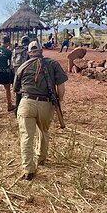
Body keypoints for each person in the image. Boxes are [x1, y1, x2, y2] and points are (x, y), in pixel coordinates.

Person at [13, 41, 68, 180]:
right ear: (42, 50)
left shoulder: (22, 67)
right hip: (46, 104)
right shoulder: (53, 64)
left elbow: (16, 90)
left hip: (26, 103)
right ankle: (41, 158)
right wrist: (58, 103)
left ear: (29, 52)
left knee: (26, 137)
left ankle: (29, 170)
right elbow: (61, 86)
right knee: (44, 131)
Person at [0, 36, 15, 112]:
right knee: (7, 90)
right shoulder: (8, 52)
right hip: (5, 73)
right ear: (8, 43)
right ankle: (9, 105)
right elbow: (11, 63)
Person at [12, 36, 30, 117]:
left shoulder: (15, 49)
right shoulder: (28, 50)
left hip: (16, 72)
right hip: (25, 73)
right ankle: (24, 110)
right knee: (26, 91)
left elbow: (12, 61)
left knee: (18, 92)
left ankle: (17, 110)